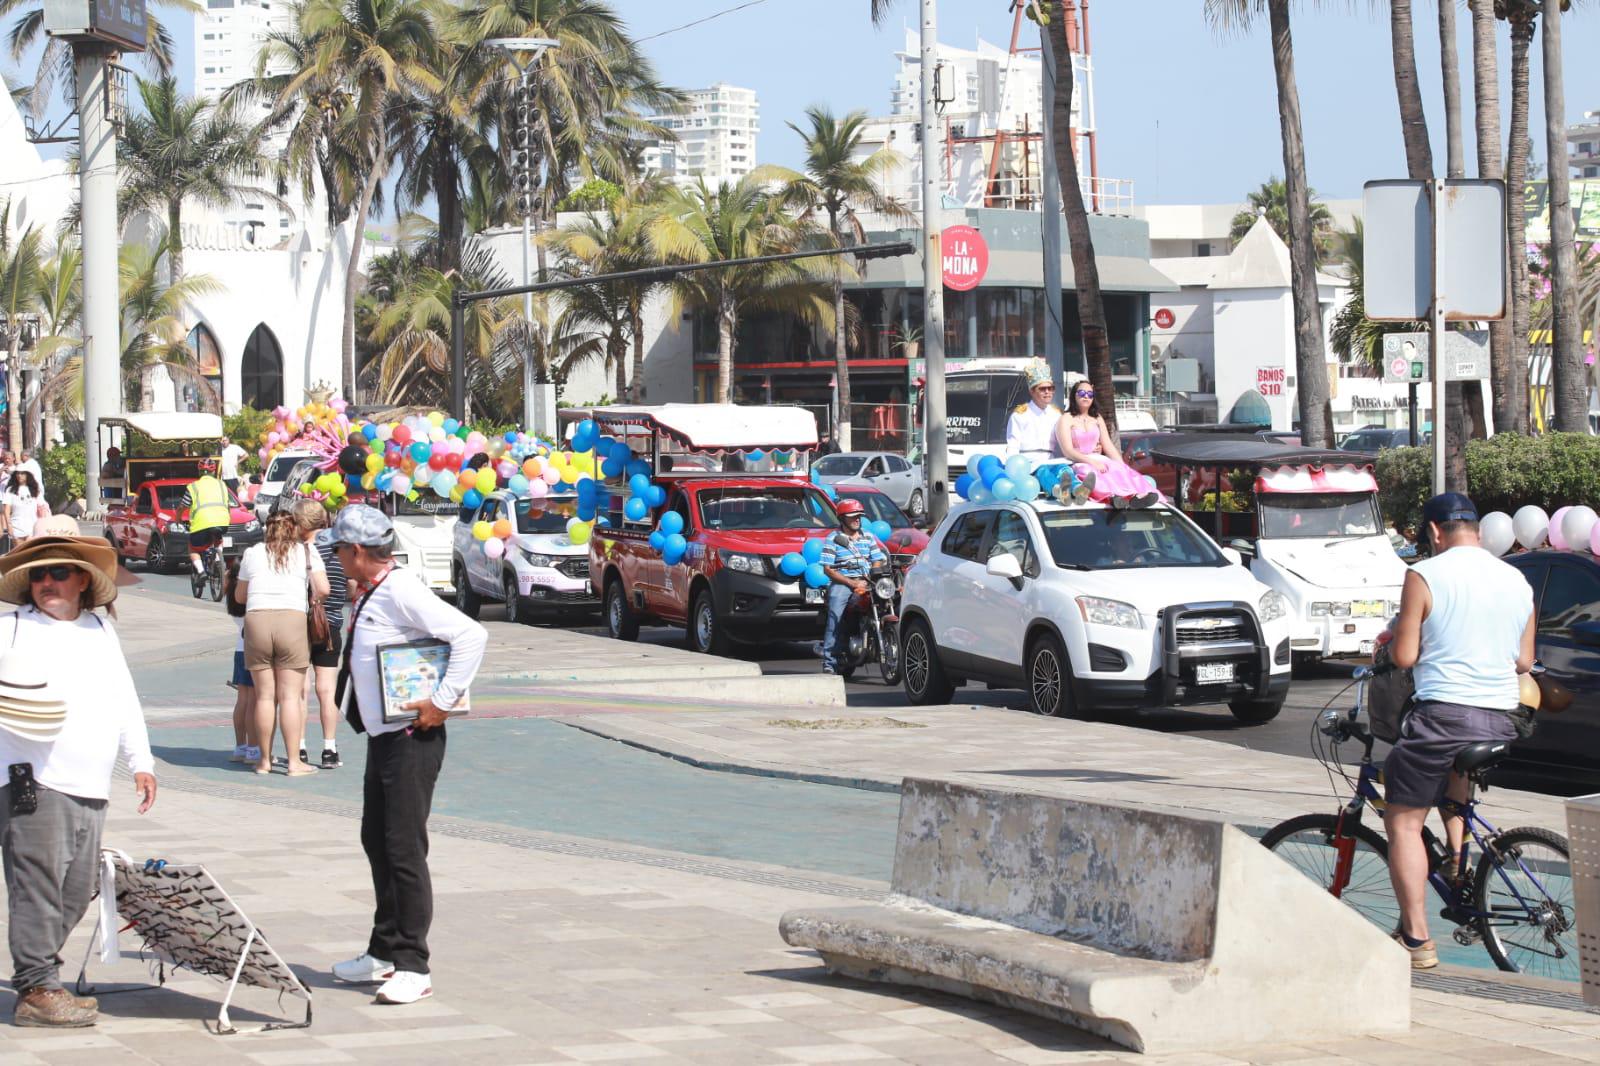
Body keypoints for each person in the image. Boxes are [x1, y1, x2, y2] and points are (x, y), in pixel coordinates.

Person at [327, 505, 485, 1006]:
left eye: (338, 551)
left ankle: (413, 963)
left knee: (403, 849)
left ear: (356, 552)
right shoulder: (373, 590)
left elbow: (470, 635)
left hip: (412, 737)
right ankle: (383, 949)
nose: (335, 558)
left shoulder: (400, 589)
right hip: (384, 735)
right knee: (376, 837)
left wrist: (441, 703)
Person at [0, 529, 156, 1028]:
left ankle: (41, 975)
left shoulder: (99, 630)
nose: (47, 581)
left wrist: (142, 760)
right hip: (33, 782)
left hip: (91, 781)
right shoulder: (11, 627)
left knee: (79, 885)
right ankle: (38, 989)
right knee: (38, 888)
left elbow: (123, 697)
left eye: (59, 572)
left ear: (84, 581)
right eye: (39, 574)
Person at [1384, 492, 1536, 970]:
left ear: (1434, 532)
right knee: (1454, 777)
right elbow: (1524, 661)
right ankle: (1458, 860)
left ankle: (1416, 939)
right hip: (1502, 716)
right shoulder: (1516, 578)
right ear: (1477, 529)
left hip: (1444, 714)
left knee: (1403, 821)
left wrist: (1391, 645)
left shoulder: (1425, 574)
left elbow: (1405, 657)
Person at [236, 510, 329, 776]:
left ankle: (264, 761)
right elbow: (323, 589)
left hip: (257, 621)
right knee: (289, 696)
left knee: (264, 696)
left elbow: (241, 596)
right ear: (295, 529)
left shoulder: (253, 553)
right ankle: (293, 762)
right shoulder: (305, 553)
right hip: (292, 619)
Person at [298, 499, 347, 770]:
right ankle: (329, 749)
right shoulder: (338, 551)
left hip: (300, 623)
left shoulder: (297, 551)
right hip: (330, 623)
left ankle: (300, 747)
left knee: (300, 689)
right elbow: (347, 588)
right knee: (327, 689)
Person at [1054, 380, 1157, 508]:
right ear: (1074, 395)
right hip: (1078, 461)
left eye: (1090, 394)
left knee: (1118, 469)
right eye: (1081, 392)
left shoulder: (1097, 418)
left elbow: (1108, 445)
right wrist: (1091, 462)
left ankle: (1136, 496)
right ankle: (1112, 498)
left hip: (1099, 459)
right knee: (1088, 472)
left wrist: (1122, 465)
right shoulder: (1066, 418)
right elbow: (1068, 450)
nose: (1086, 396)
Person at [817, 498, 888, 677]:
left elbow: (877, 558)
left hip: (867, 581)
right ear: (842, 519)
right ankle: (829, 662)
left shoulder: (869, 537)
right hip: (844, 583)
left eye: (859, 516)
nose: (857, 519)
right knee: (835, 616)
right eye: (852, 517)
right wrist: (852, 583)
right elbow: (828, 569)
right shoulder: (833, 539)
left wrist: (874, 573)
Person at [223, 558, 259, 765]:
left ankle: (240, 746)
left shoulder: (232, 598)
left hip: (239, 649)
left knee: (242, 700)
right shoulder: (249, 598)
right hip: (252, 649)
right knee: (254, 701)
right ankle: (254, 750)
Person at [184, 458, 232, 575]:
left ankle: (201, 572)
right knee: (218, 540)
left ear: (199, 471)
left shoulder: (193, 487)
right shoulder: (222, 485)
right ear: (214, 472)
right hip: (223, 521)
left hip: (201, 523)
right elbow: (228, 505)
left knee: (193, 548)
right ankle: (217, 559)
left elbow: (182, 506)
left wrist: (177, 519)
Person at [1, 471, 45, 549]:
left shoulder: (35, 490)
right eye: (18, 473)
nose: (19, 476)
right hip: (16, 527)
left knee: (30, 552)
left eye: (22, 473)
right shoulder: (10, 490)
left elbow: (42, 508)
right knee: (19, 553)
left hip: (32, 527)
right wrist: (9, 526)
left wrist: (42, 525)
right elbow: (6, 510)